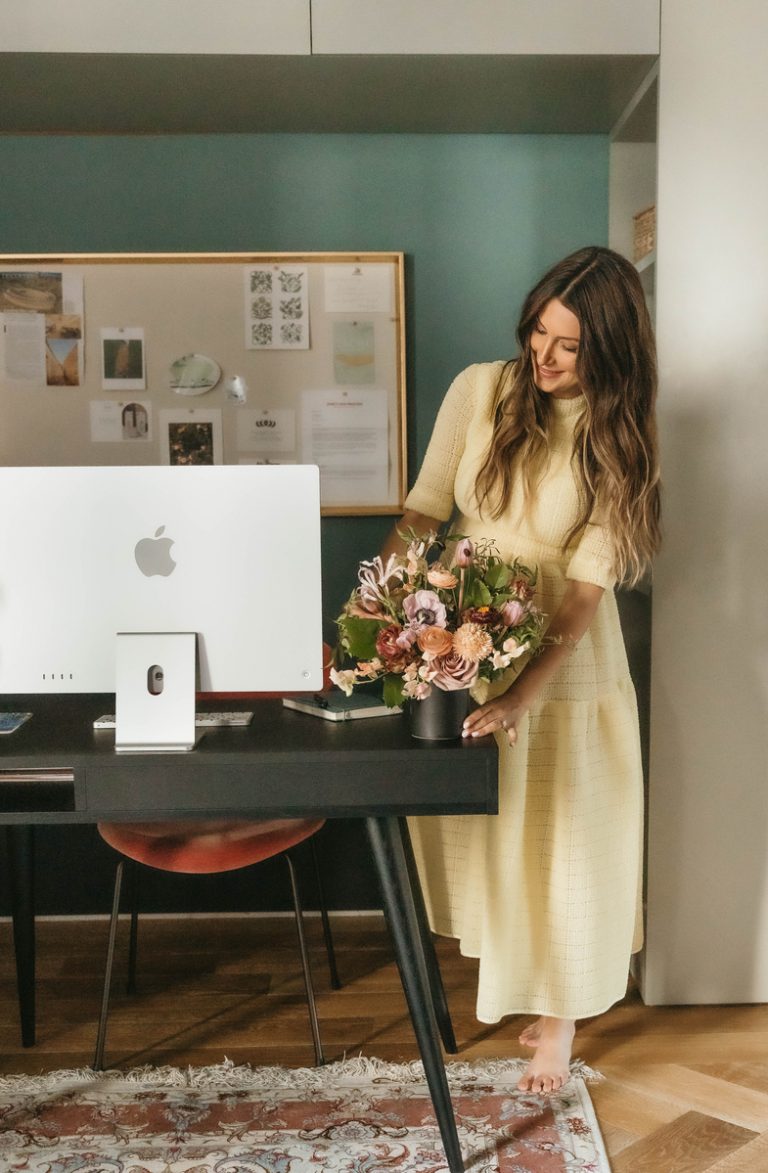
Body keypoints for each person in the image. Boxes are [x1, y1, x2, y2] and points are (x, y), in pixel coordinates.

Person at [380, 245, 661, 1095]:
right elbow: (423, 512)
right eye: (539, 330)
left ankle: (562, 1016)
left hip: (562, 657)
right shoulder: (481, 387)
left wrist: (525, 696)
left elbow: (581, 595)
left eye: (568, 344)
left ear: (608, 349)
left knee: (567, 836)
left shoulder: (621, 432)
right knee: (495, 833)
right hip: (461, 625)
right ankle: (525, 988)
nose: (542, 355)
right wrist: (386, 615)